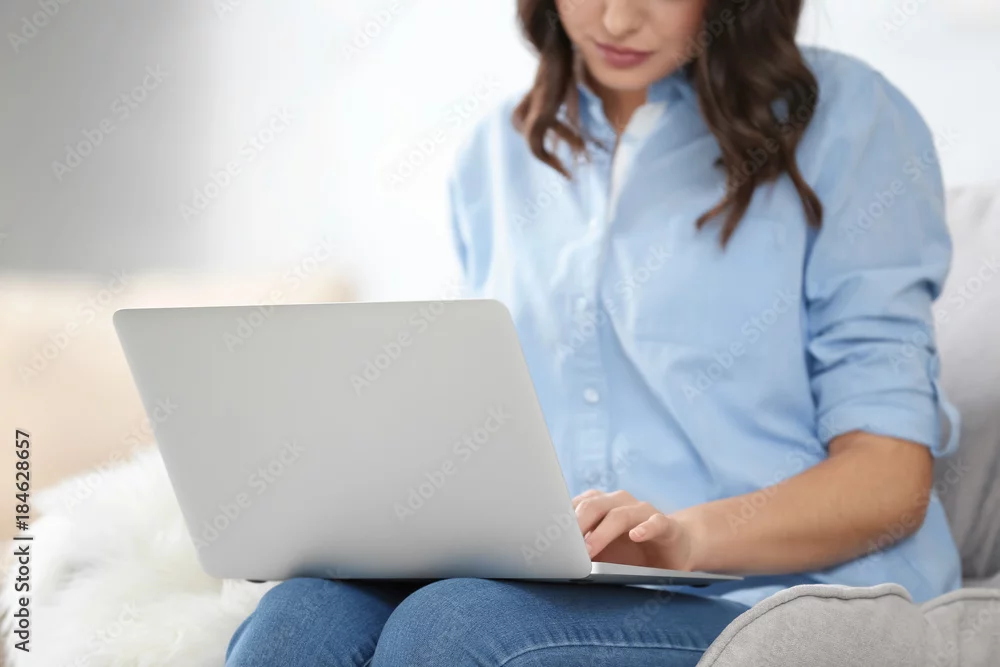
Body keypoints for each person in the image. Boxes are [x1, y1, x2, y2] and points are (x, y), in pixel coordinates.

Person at [227, 0, 962, 664]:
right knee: (299, 619)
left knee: (453, 627)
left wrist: (685, 538)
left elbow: (889, 478)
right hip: (561, 586)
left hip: (783, 596)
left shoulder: (851, 120)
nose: (615, 20)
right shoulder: (497, 153)